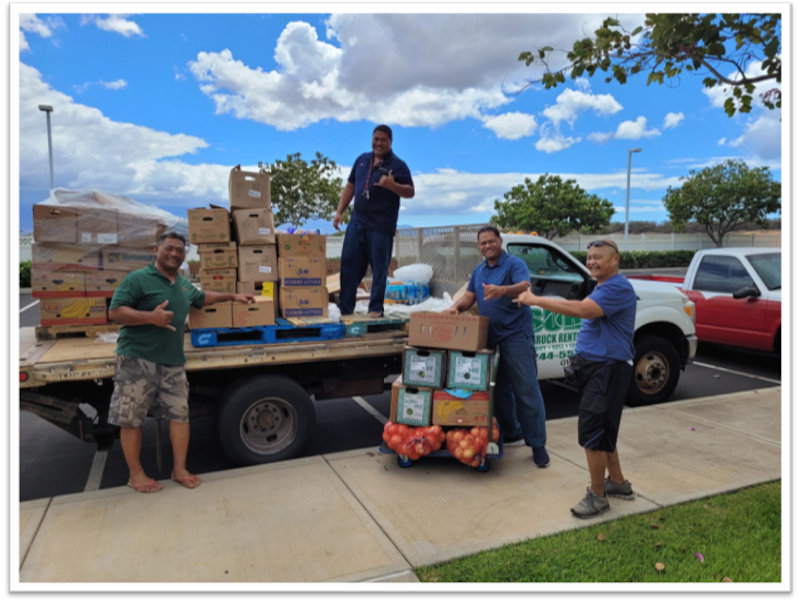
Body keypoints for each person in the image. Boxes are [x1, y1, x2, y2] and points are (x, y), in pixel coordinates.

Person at [108, 231, 254, 493]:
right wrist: (149, 318)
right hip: (137, 359)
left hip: (173, 362)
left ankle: (179, 469)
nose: (174, 253)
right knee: (131, 419)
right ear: (156, 250)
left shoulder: (182, 284)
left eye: (180, 250)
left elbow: (202, 298)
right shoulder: (138, 279)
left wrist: (232, 296)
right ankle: (136, 475)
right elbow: (115, 311)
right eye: (169, 248)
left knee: (180, 415)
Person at [515, 238, 637, 518]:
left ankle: (597, 497)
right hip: (597, 367)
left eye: (599, 257)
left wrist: (535, 300)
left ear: (615, 260)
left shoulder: (617, 287)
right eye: (589, 256)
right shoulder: (603, 285)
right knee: (603, 429)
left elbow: (582, 310)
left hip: (607, 369)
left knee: (593, 433)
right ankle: (618, 483)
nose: (592, 261)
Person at [443, 226, 550, 467]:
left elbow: (524, 287)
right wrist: (456, 307)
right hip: (490, 337)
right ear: (479, 247)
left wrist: (502, 290)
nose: (487, 246)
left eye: (491, 241)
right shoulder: (479, 271)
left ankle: (538, 445)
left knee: (526, 389)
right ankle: (512, 432)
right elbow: (469, 297)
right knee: (497, 389)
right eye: (483, 243)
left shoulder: (514, 264)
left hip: (516, 336)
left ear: (500, 241)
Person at [333, 125, 415, 317]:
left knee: (379, 269)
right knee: (348, 265)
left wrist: (392, 186)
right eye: (376, 139)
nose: (379, 143)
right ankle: (345, 307)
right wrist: (339, 212)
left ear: (390, 142)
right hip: (356, 223)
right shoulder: (362, 160)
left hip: (381, 227)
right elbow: (350, 186)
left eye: (383, 140)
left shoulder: (398, 165)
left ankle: (375, 308)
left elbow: (410, 191)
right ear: (372, 139)